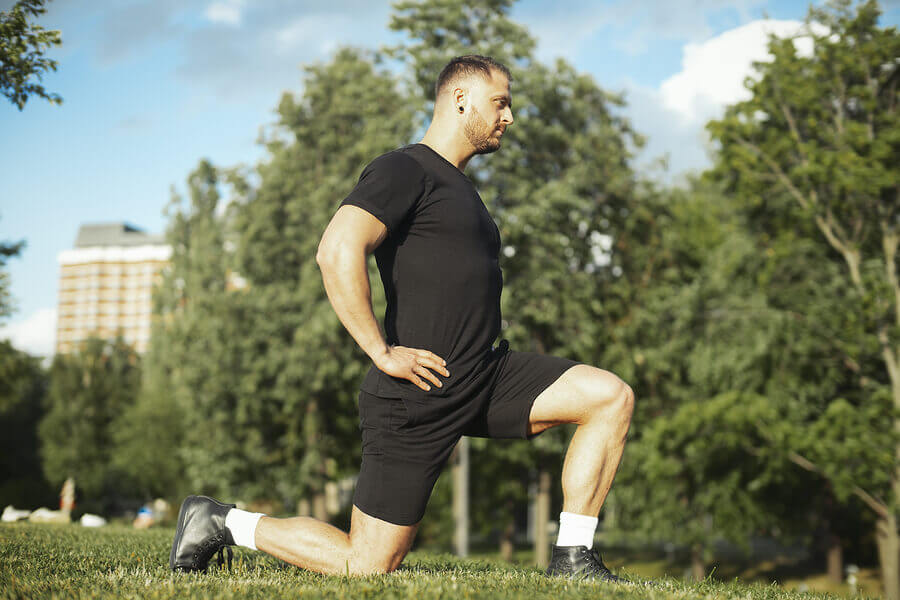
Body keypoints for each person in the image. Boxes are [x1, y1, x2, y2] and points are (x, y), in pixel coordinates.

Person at [170, 54, 634, 582]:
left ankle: (574, 558)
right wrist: (380, 351)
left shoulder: (462, 188)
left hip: (485, 376)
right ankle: (221, 521)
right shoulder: (404, 168)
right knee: (367, 563)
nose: (510, 117)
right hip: (418, 391)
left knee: (608, 396)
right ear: (460, 100)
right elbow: (337, 249)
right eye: (500, 103)